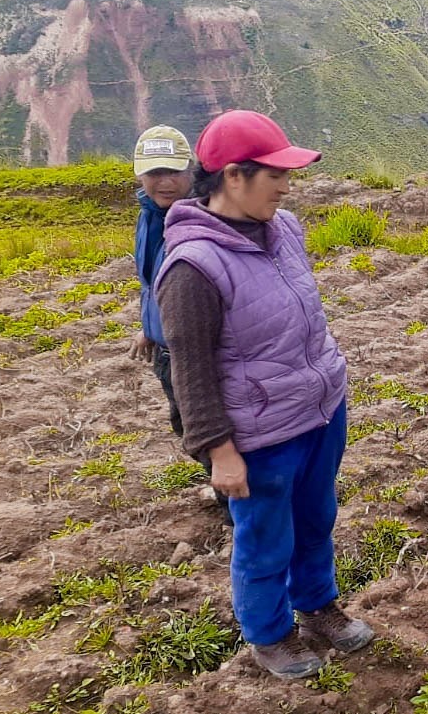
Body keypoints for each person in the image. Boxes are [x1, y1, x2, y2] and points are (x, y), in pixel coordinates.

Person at [155, 110, 374, 679]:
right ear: (233, 175)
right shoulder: (192, 266)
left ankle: (318, 605)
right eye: (273, 174)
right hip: (261, 433)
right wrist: (218, 451)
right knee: (265, 537)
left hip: (319, 411)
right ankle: (269, 634)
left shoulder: (286, 228)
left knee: (316, 516)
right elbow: (191, 370)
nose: (285, 185)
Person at [127, 126, 232, 520]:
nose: (164, 181)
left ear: (192, 171)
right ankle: (232, 500)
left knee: (211, 433)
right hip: (167, 349)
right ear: (140, 175)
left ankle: (239, 513)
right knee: (189, 428)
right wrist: (148, 327)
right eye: (154, 173)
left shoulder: (202, 221)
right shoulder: (150, 215)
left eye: (173, 171)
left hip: (196, 352)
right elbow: (153, 280)